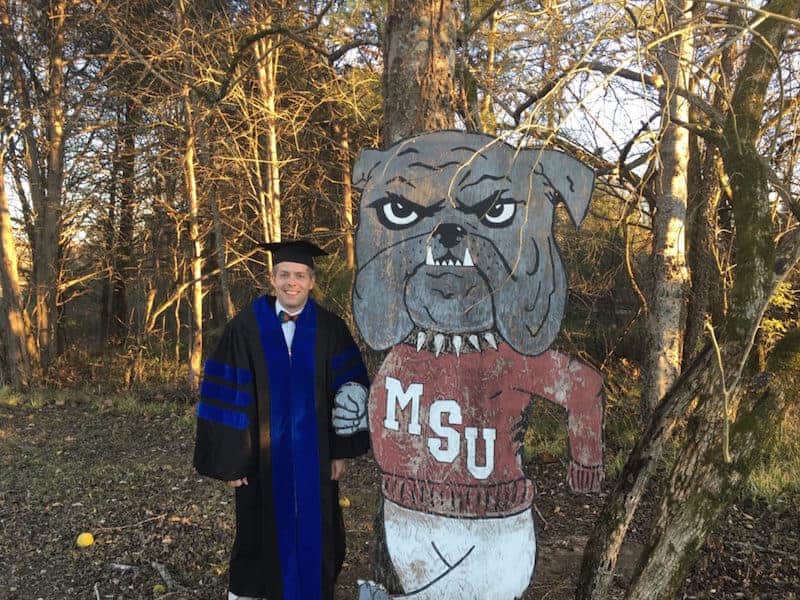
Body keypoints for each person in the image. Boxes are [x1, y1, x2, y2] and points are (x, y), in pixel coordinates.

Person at [194, 239, 370, 600]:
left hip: (315, 459)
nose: (292, 282)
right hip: (261, 461)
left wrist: (340, 450)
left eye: (300, 275)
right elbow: (226, 395)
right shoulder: (245, 327)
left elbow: (348, 388)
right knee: (255, 533)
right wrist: (232, 461)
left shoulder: (330, 329)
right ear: (272, 279)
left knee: (318, 532)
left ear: (311, 281)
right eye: (285, 274)